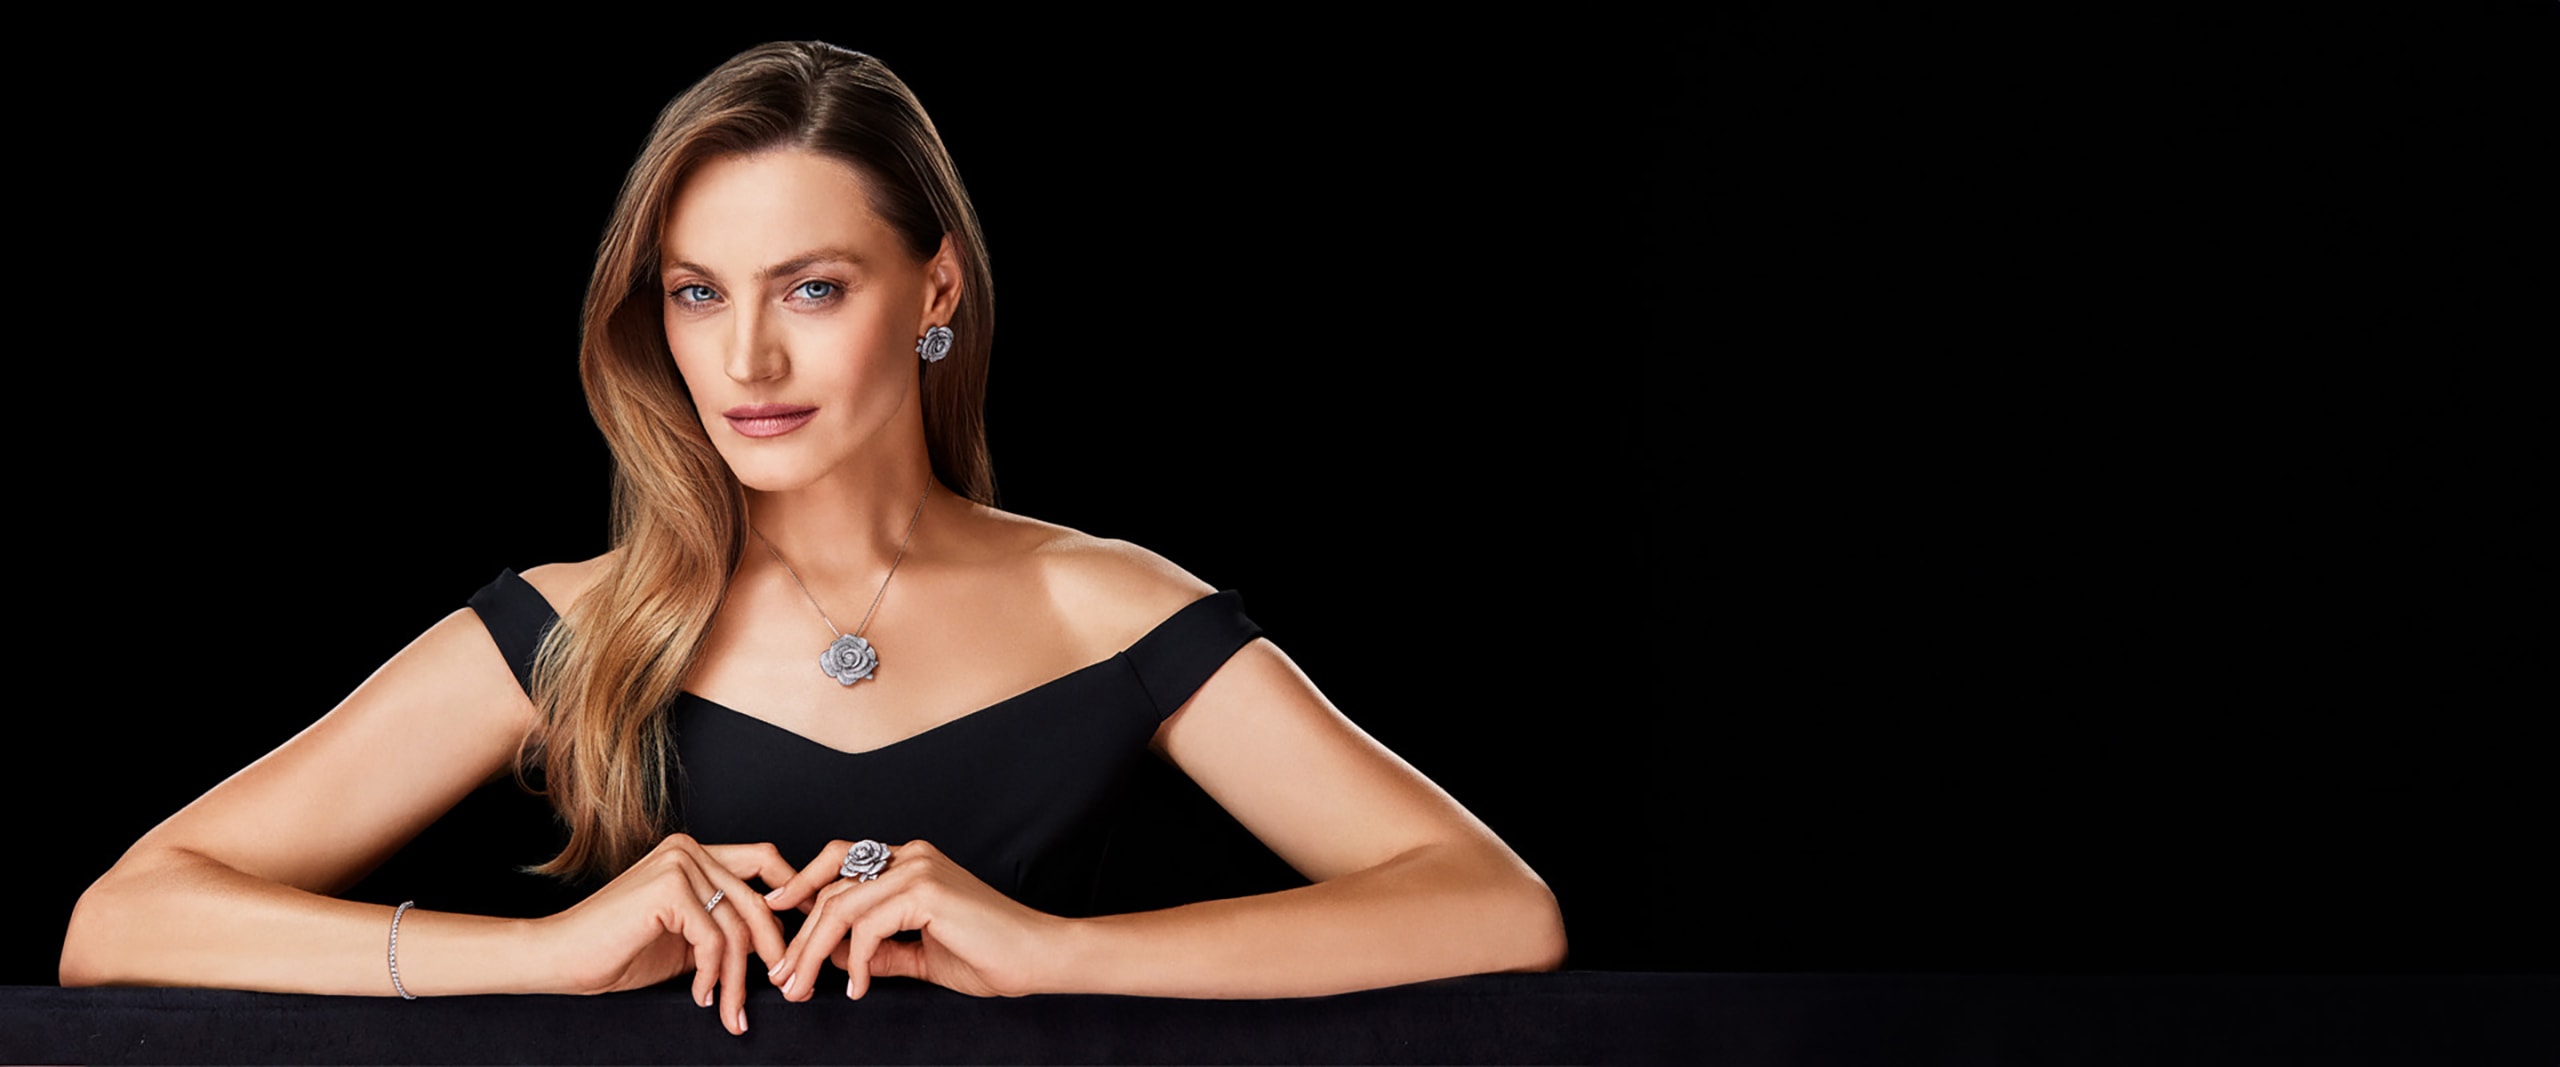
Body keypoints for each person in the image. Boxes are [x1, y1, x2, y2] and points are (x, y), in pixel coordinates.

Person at [58, 40, 1565, 1036]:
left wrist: (1056, 950)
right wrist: (539, 952)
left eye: (813, 287)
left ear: (936, 291)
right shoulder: (570, 624)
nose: (745, 361)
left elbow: (1497, 908)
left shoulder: (1107, 607)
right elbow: (121, 924)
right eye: (698, 291)